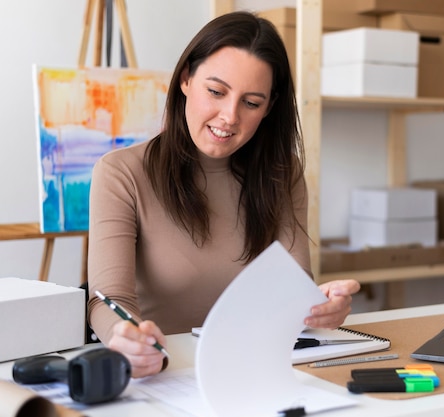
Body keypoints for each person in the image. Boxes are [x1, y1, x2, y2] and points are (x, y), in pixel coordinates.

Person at [86, 11, 360, 378]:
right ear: (186, 79)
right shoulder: (121, 173)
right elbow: (107, 301)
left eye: (251, 103)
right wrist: (125, 338)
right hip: (167, 374)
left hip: (258, 369)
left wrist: (321, 308)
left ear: (269, 107)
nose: (230, 116)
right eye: (216, 92)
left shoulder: (282, 173)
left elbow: (294, 290)